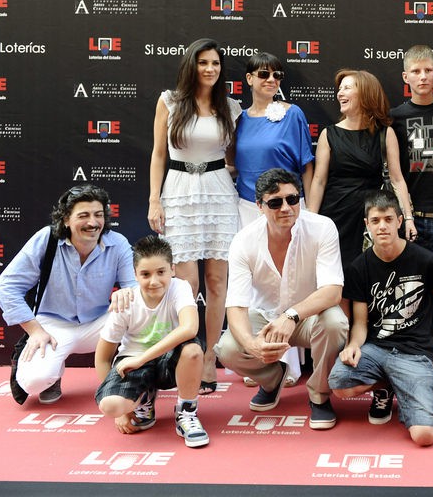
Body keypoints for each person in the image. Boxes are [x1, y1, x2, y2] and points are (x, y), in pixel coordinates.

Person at [216, 168, 349, 429]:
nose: (286, 208)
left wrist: (291, 315)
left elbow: (333, 291)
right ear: (259, 206)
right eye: (275, 202)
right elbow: (236, 307)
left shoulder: (322, 228)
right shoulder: (243, 241)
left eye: (292, 199)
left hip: (309, 317)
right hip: (265, 318)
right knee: (229, 348)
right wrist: (252, 345)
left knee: (335, 322)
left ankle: (319, 396)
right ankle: (272, 378)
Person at [148, 37, 241, 395]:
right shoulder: (169, 102)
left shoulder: (231, 107)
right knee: (188, 285)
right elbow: (158, 154)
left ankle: (209, 358)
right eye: (204, 62)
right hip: (179, 191)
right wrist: (154, 200)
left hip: (218, 194)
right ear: (192, 65)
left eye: (216, 63)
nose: (210, 69)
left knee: (218, 283)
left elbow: (234, 157)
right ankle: (185, 353)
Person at [329, 190, 433, 446]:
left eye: (388, 219)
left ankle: (412, 391)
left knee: (425, 436)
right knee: (339, 384)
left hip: (415, 354)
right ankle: (387, 386)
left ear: (399, 221)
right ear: (367, 225)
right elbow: (361, 323)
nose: (382, 226)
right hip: (376, 349)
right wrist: (353, 345)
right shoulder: (359, 267)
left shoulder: (424, 259)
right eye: (375, 221)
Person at [0, 185, 136, 404]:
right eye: (83, 215)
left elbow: (134, 288)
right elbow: (5, 286)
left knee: (139, 312)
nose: (93, 222)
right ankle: (52, 377)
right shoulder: (47, 239)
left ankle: (135, 377)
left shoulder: (118, 243)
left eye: (98, 215)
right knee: (33, 381)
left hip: (100, 323)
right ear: (66, 220)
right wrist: (34, 330)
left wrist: (126, 293)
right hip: (53, 325)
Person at [234, 51, 315, 388]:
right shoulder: (238, 118)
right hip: (248, 208)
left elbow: (306, 165)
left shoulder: (291, 114)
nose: (271, 81)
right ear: (249, 79)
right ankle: (259, 361)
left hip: (287, 208)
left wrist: (307, 209)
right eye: (264, 74)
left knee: (288, 283)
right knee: (255, 287)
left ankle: (289, 364)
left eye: (277, 76)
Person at [94, 235, 209, 448]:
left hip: (169, 361)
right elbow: (102, 357)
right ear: (135, 275)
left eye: (161, 272)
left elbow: (189, 328)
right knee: (110, 406)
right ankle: (144, 399)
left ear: (172, 270)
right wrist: (122, 414)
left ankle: (186, 413)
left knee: (192, 350)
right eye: (145, 274)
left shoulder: (180, 287)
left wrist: (142, 358)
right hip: (134, 362)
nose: (154, 281)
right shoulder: (126, 301)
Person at [308, 69, 416, 267]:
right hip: (336, 214)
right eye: (339, 89)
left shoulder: (385, 134)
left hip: (373, 217)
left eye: (347, 88)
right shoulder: (328, 134)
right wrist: (311, 221)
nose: (340, 93)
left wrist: (408, 218)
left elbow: (397, 179)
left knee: (368, 275)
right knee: (337, 275)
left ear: (366, 93)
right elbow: (319, 181)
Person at [389, 45, 433, 267]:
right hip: (412, 220)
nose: (422, 77)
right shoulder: (395, 117)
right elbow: (396, 175)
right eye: (416, 71)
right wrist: (407, 216)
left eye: (428, 70)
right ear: (405, 77)